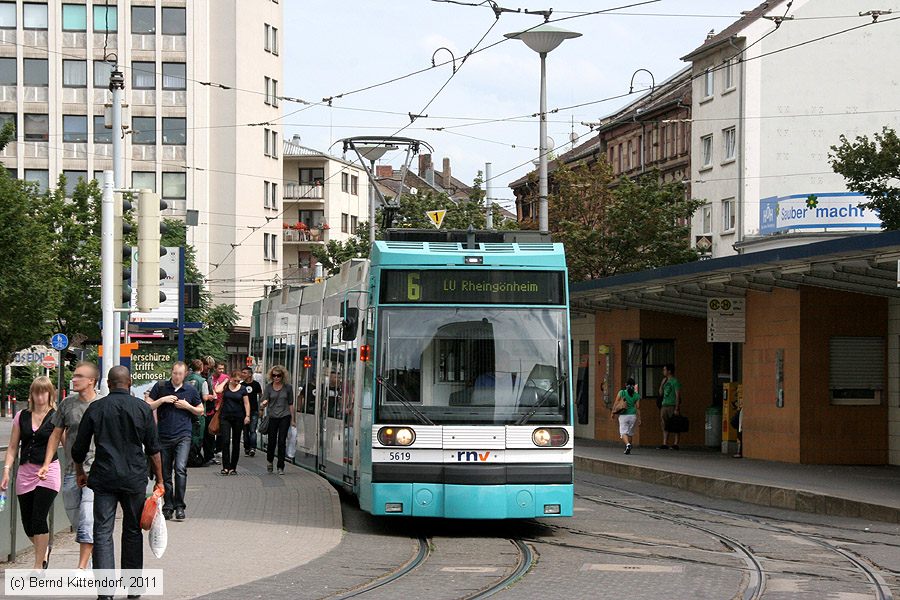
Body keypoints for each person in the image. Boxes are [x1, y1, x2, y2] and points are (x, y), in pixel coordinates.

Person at [72, 366, 163, 588]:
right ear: (130, 383)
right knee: (132, 531)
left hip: (104, 478)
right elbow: (153, 449)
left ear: (109, 384)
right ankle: (133, 587)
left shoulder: (96, 408)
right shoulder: (142, 408)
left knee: (102, 532)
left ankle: (105, 591)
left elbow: (79, 448)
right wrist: (160, 480)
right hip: (134, 478)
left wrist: (80, 471)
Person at [38, 362, 99, 570]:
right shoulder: (67, 404)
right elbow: (55, 435)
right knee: (75, 516)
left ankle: (82, 567)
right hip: (73, 470)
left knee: (87, 517)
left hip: (96, 471)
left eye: (79, 376)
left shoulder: (101, 403)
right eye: (74, 376)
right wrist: (47, 463)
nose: (74, 379)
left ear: (91, 381)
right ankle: (95, 552)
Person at [1, 376, 61, 570]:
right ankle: (42, 551)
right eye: (36, 392)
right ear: (31, 394)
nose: (40, 396)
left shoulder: (56, 416)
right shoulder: (22, 416)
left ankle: (37, 567)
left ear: (50, 394)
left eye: (44, 392)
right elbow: (12, 447)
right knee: (27, 524)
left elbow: (67, 443)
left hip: (48, 471)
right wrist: (7, 470)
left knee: (38, 518)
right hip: (25, 472)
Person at [144, 361, 203, 520]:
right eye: (175, 373)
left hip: (183, 435)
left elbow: (200, 410)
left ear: (185, 375)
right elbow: (147, 406)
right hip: (163, 435)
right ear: (171, 372)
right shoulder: (161, 387)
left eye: (180, 374)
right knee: (164, 472)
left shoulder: (190, 390)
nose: (177, 377)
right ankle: (168, 505)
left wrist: (187, 406)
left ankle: (180, 506)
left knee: (180, 468)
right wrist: (162, 400)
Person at [260, 365, 294, 475]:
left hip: (285, 416)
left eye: (278, 375)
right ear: (271, 376)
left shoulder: (288, 388)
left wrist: (293, 419)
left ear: (282, 376)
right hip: (272, 417)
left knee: (281, 441)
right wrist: (264, 404)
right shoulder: (269, 387)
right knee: (272, 441)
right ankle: (270, 461)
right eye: (274, 375)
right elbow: (262, 402)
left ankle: (280, 466)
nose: (276, 378)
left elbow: (291, 404)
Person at [219, 371, 251, 475]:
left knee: (236, 442)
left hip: (238, 417)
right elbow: (217, 390)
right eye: (235, 380)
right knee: (225, 441)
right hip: (225, 417)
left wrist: (247, 416)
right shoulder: (226, 386)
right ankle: (225, 467)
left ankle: (233, 467)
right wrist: (225, 382)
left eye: (239, 380)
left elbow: (246, 403)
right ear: (231, 378)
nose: (237, 382)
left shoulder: (242, 389)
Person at [202, 361, 229, 465]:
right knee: (212, 429)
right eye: (219, 369)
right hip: (212, 407)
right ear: (215, 369)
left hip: (221, 407)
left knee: (220, 430)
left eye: (222, 369)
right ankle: (212, 452)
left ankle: (218, 449)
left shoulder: (225, 377)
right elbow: (216, 390)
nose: (221, 371)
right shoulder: (211, 378)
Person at [658, 363, 682, 450]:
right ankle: (665, 443)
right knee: (664, 423)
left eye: (664, 370)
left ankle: (676, 443)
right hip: (664, 404)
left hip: (672, 405)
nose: (663, 371)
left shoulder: (675, 381)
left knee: (675, 423)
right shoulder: (665, 381)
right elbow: (660, 393)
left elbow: (677, 395)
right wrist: (661, 384)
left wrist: (677, 407)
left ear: (669, 371)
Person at [615, 377, 641, 455]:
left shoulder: (622, 392)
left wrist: (613, 413)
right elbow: (638, 407)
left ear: (626, 384)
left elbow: (616, 403)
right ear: (634, 385)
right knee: (630, 433)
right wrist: (639, 418)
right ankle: (628, 448)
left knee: (623, 433)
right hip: (633, 416)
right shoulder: (636, 395)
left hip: (623, 415)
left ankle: (628, 445)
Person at [241, 366, 262, 457]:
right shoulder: (241, 385)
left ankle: (253, 448)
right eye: (242, 373)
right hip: (243, 411)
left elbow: (261, 396)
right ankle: (247, 447)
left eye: (245, 373)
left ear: (250, 374)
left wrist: (261, 409)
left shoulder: (256, 384)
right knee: (245, 431)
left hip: (254, 411)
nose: (243, 374)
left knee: (252, 430)